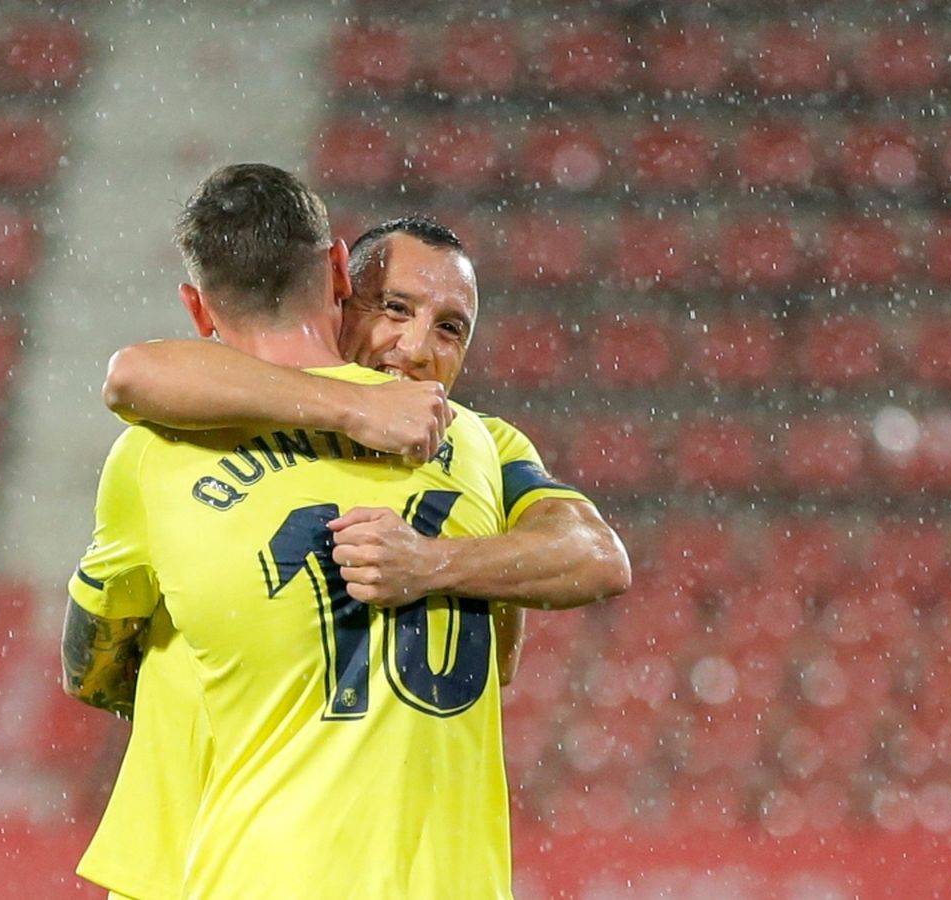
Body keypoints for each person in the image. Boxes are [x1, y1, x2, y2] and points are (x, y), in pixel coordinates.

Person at [63, 165, 609, 899]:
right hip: (216, 863)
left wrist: (433, 564)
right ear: (338, 279)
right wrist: (354, 411)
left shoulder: (482, 447)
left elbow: (90, 669)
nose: (415, 348)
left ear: (198, 308)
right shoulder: (472, 454)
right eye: (396, 308)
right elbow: (133, 373)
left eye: (450, 328)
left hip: (238, 869)